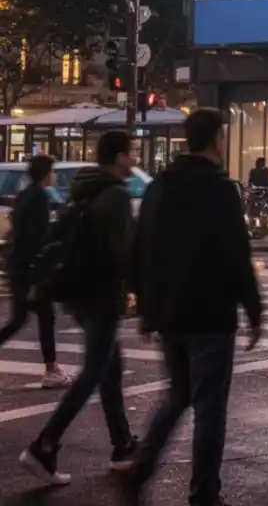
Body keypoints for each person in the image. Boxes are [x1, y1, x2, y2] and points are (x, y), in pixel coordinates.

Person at [120, 109, 263, 506]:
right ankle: (204, 491)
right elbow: (236, 254)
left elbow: (140, 249)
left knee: (178, 393)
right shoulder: (221, 190)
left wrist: (145, 306)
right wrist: (253, 310)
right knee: (209, 407)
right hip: (211, 311)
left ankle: (141, 465)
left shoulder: (159, 188)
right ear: (217, 138)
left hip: (169, 311)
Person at [20, 131, 138, 488]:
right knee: (94, 372)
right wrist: (142, 294)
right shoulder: (115, 195)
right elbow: (124, 253)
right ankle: (45, 445)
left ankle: (122, 445)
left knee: (109, 367)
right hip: (101, 294)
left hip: (79, 293)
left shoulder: (85, 188)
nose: (135, 160)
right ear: (119, 157)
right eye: (131, 153)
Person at [0, 155, 67, 388]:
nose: (55, 175)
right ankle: (51, 369)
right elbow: (36, 237)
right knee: (44, 315)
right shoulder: (39, 198)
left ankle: (52, 368)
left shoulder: (26, 195)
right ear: (45, 174)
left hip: (19, 266)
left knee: (19, 319)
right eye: (53, 171)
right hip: (29, 269)